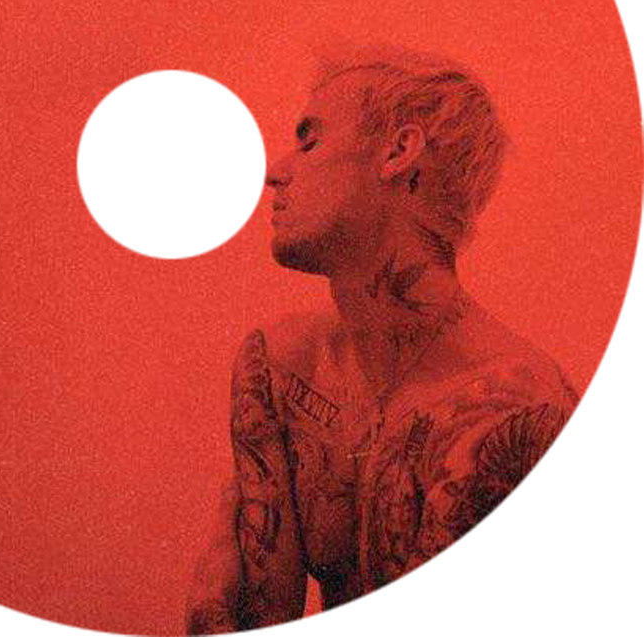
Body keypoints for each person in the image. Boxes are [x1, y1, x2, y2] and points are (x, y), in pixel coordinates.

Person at [184, 48, 577, 633]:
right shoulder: (279, 370)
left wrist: (210, 607)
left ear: (398, 152)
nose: (276, 171)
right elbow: (257, 617)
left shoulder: (518, 410)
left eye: (309, 142)